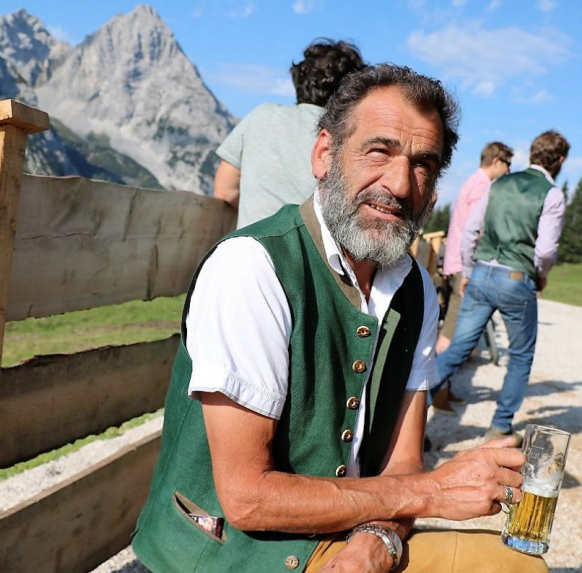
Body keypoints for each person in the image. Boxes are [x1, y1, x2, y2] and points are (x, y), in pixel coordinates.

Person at [133, 65, 547, 573]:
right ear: (325, 154)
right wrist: (434, 492)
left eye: (423, 164)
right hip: (232, 554)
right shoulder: (252, 267)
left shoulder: (415, 288)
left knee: (518, 567)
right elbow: (246, 498)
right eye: (380, 151)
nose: (399, 184)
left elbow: (403, 464)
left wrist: (379, 540)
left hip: (346, 540)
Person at [435, 130, 569, 444]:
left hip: (481, 272)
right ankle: (498, 427)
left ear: (533, 153)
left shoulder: (498, 184)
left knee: (457, 348)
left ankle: (413, 407)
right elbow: (546, 250)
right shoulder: (552, 194)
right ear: (560, 160)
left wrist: (468, 270)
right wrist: (541, 275)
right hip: (515, 278)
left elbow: (470, 231)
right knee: (520, 357)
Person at [213, 39, 365, 228]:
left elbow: (225, 191)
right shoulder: (348, 137)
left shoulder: (262, 114)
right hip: (316, 254)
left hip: (251, 247)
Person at [431, 142, 513, 414]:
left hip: (457, 263)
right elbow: (476, 231)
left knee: (452, 331)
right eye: (508, 164)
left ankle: (442, 390)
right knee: (451, 336)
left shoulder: (473, 183)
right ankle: (431, 395)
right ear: (497, 161)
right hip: (464, 266)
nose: (509, 170)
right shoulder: (482, 187)